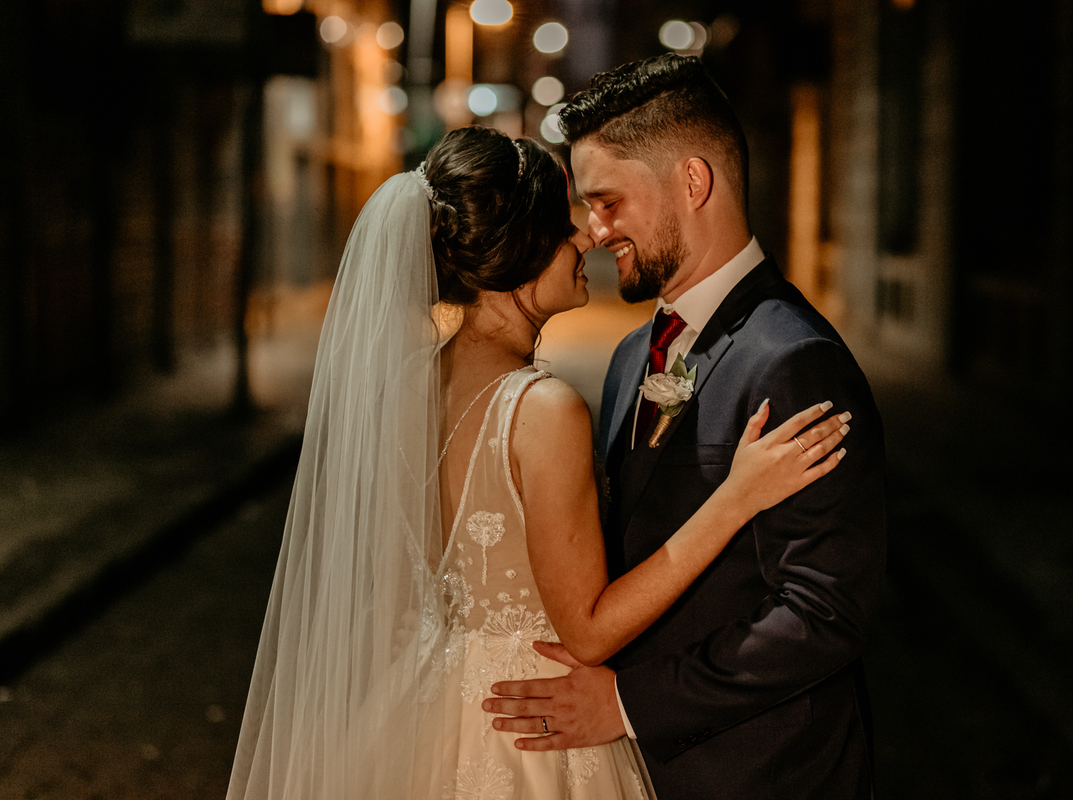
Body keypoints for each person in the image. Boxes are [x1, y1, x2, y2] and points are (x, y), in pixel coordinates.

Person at [226, 124, 851, 800]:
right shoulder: (541, 408)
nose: (586, 237)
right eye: (563, 226)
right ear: (520, 250)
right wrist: (736, 497)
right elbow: (585, 631)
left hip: (435, 710)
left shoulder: (412, 383)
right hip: (531, 726)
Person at [484, 55, 888, 799]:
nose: (595, 231)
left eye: (608, 202)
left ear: (693, 182)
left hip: (763, 775)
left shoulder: (794, 359)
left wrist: (628, 702)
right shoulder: (634, 351)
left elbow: (824, 612)